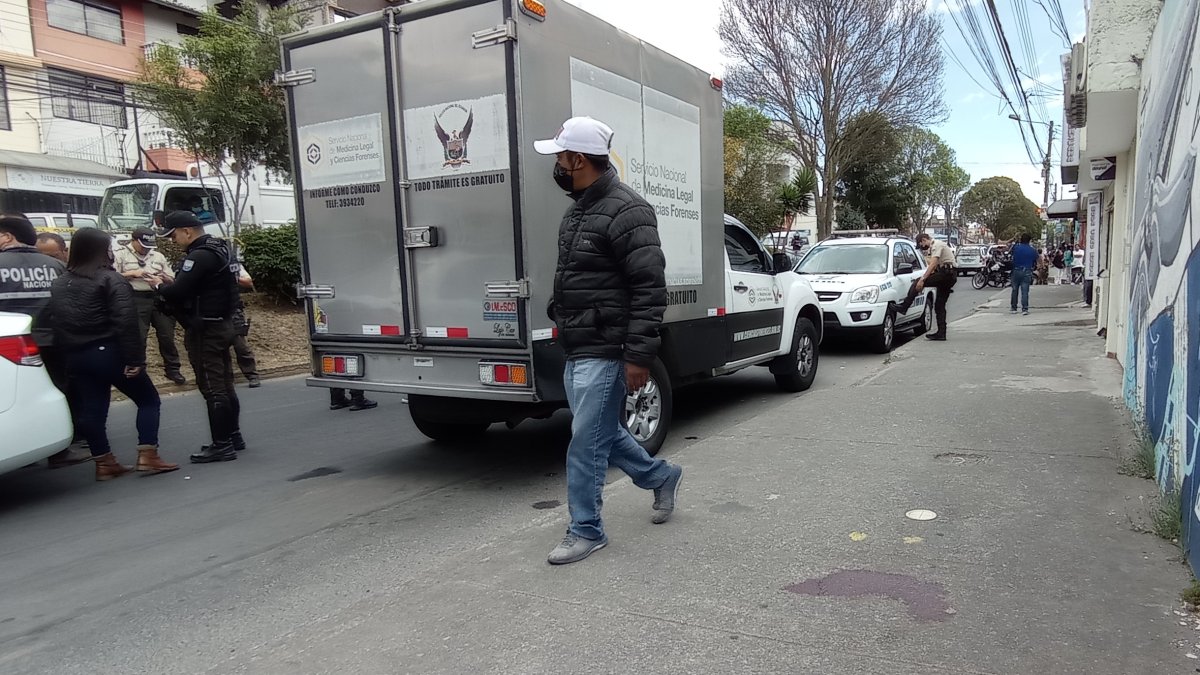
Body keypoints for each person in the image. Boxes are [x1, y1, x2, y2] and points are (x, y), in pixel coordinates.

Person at [533, 116, 683, 565]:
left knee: (584, 442)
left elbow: (649, 289)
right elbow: (579, 277)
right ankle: (662, 476)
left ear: (579, 159)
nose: (558, 163)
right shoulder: (577, 210)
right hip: (578, 344)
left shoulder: (628, 210)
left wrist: (638, 355)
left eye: (561, 155)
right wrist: (559, 313)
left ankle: (586, 529)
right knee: (601, 432)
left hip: (608, 348)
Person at [48, 228, 178, 481]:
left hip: (76, 355)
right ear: (102, 250)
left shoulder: (60, 282)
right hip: (108, 351)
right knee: (148, 400)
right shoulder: (109, 279)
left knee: (93, 409)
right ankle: (148, 454)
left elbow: (56, 320)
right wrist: (135, 359)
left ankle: (104, 463)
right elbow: (125, 321)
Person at [149, 211, 245, 463]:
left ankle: (222, 444)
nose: (171, 241)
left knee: (213, 388)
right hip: (222, 324)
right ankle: (233, 436)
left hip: (206, 330)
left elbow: (179, 292)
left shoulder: (199, 255)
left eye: (173, 235)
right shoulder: (220, 249)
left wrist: (160, 286)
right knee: (224, 383)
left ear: (187, 231)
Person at [0, 214, 91, 468]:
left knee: (15, 399)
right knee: (56, 391)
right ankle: (60, 450)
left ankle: (24, 448)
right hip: (54, 340)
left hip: (10, 346)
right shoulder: (54, 266)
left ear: (8, 236)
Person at [114, 227, 186, 385]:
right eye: (143, 245)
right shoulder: (121, 254)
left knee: (167, 335)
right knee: (139, 336)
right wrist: (131, 274)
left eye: (149, 245)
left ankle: (173, 369)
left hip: (158, 297)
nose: (146, 249)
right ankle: (140, 370)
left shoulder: (157, 256)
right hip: (135, 298)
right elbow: (111, 277)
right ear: (133, 241)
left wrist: (164, 278)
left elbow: (173, 279)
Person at [895, 233, 957, 341]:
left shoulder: (937, 245)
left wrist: (923, 280)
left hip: (946, 274)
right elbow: (933, 267)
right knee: (939, 305)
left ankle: (904, 307)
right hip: (948, 275)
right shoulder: (933, 248)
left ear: (924, 240)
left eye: (921, 245)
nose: (923, 248)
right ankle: (941, 333)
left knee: (917, 282)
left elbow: (933, 264)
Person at [231, 264, 261, 388]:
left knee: (240, 345)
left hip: (233, 310)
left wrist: (231, 277)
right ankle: (226, 379)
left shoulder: (232, 264)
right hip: (212, 311)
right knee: (218, 347)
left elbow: (248, 282)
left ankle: (252, 375)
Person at [1009, 233, 1038, 315]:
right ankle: (1024, 309)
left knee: (1014, 290)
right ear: (1029, 241)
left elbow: (1009, 251)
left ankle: (1013, 308)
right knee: (1025, 291)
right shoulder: (1032, 250)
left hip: (1016, 270)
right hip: (1027, 271)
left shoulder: (1016, 248)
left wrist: (1014, 240)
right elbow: (1037, 259)